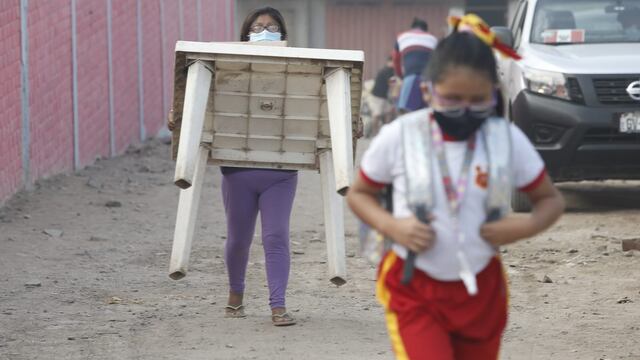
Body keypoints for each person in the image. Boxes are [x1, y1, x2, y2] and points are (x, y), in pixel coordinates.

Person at [347, 14, 565, 359]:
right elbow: (359, 193)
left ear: (494, 95)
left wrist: (523, 226)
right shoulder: (401, 135)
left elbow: (550, 201)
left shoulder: (504, 139)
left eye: (478, 101)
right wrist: (393, 226)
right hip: (413, 286)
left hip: (482, 293)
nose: (465, 109)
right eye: (451, 99)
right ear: (426, 91)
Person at [168, 6, 297, 327]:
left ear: (282, 37)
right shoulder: (226, 72)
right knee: (238, 239)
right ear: (245, 36)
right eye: (257, 27)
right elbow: (201, 107)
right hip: (237, 170)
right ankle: (235, 295)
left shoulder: (300, 72)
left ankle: (278, 306)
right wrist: (178, 119)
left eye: (271, 27)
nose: (264, 32)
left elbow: (324, 113)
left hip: (281, 172)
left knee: (276, 236)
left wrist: (351, 125)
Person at [392, 17, 438, 114]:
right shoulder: (433, 39)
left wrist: (401, 76)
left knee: (404, 110)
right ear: (425, 30)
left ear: (412, 28)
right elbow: (437, 62)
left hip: (410, 77)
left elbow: (396, 60)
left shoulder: (401, 37)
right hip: (428, 79)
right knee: (430, 111)